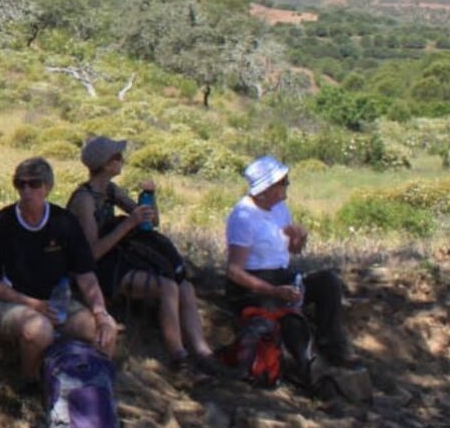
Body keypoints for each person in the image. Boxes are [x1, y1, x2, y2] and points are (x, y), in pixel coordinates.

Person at [66, 136, 220, 378]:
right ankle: (179, 357)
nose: (122, 160)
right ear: (107, 165)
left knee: (185, 287)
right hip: (95, 271)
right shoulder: (85, 200)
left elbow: (152, 222)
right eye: (117, 157)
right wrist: (129, 224)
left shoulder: (109, 190)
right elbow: (91, 255)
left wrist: (148, 197)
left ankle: (202, 352)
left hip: (115, 259)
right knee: (167, 287)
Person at [0, 157, 120, 394]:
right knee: (39, 330)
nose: (26, 190)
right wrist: (32, 304)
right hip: (7, 303)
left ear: (47, 187)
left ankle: (97, 396)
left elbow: (85, 274)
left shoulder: (63, 222)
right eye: (20, 184)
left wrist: (100, 312)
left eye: (34, 184)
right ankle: (31, 385)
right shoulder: (2, 223)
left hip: (55, 300)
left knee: (105, 330)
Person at [225, 155, 357, 368]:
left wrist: (300, 238)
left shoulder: (279, 210)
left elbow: (292, 251)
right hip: (255, 285)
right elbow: (234, 271)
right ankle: (307, 368)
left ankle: (333, 345)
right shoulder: (244, 217)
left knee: (329, 282)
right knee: (289, 319)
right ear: (266, 188)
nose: (287, 185)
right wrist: (272, 291)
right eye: (283, 182)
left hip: (282, 275)